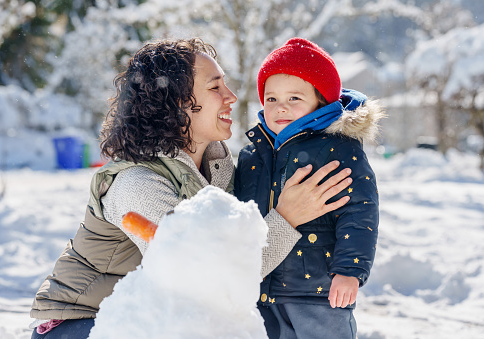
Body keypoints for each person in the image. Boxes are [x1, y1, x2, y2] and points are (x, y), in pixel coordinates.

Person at [29, 38, 353, 338]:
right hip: (82, 325)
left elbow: (238, 244)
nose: (232, 96)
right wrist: (288, 216)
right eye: (215, 87)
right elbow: (211, 278)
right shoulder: (136, 185)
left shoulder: (216, 164)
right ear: (177, 102)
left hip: (154, 319)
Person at [235, 37, 384, 339]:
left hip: (320, 292)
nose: (281, 108)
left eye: (294, 99)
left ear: (320, 100)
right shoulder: (252, 154)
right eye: (272, 98)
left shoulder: (338, 149)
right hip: (261, 292)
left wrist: (349, 270)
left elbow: (359, 211)